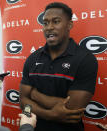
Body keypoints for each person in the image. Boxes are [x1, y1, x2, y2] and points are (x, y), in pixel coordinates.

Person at [19, 2, 98, 131]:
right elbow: (23, 103)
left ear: (69, 25)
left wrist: (34, 95)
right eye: (45, 23)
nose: (49, 27)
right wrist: (50, 115)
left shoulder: (85, 59)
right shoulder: (32, 59)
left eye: (56, 22)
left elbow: (71, 110)